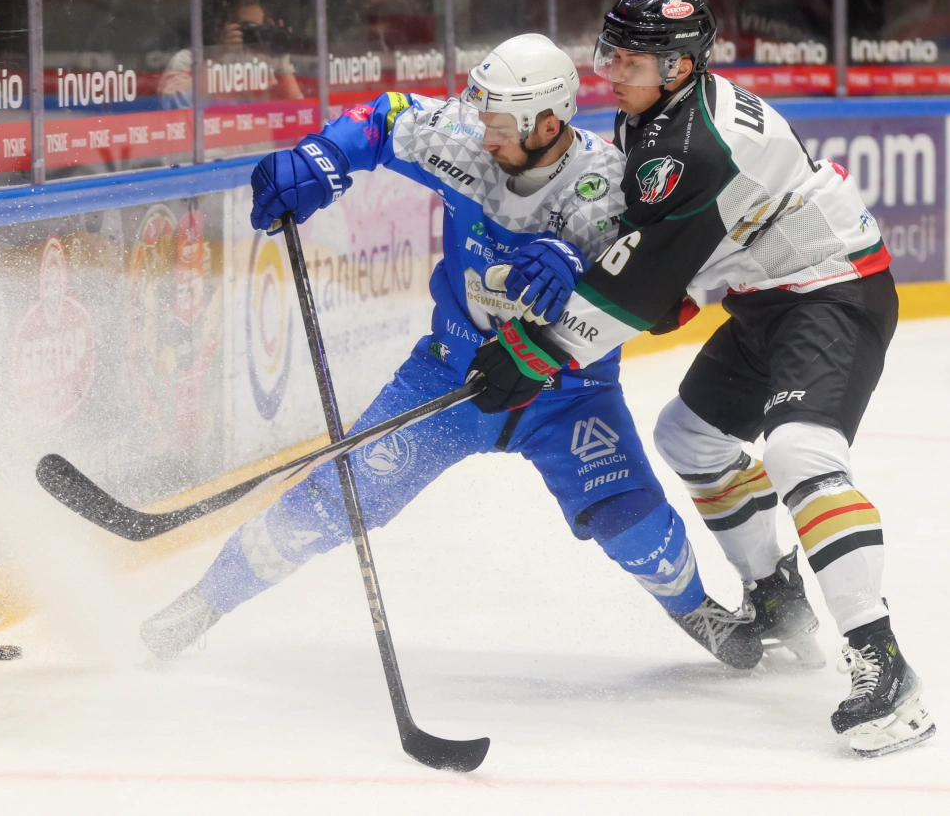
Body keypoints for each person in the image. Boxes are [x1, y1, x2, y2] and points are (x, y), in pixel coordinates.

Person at [141, 34, 763, 670]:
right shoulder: (466, 134)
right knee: (329, 503)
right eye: (482, 118)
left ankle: (693, 606)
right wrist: (321, 156)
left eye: (501, 128)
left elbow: (651, 287)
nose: (484, 138)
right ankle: (203, 604)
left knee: (633, 523)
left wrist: (577, 265)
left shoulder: (608, 186)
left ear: (548, 125)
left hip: (568, 393)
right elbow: (384, 118)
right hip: (449, 376)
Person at [466, 0, 934, 757]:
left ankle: (885, 664)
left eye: (629, 59)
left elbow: (641, 286)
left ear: (678, 67)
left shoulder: (688, 146)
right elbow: (662, 258)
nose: (610, 70)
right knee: (689, 437)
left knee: (800, 452)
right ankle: (779, 597)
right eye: (610, 51)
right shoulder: (656, 115)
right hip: (768, 296)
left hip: (833, 292)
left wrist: (536, 351)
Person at [157, 0, 303, 108]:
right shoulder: (188, 61)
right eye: (249, 28)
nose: (256, 35)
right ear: (222, 27)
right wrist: (218, 56)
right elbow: (175, 107)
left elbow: (297, 109)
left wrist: (280, 58)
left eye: (259, 28)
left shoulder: (263, 61)